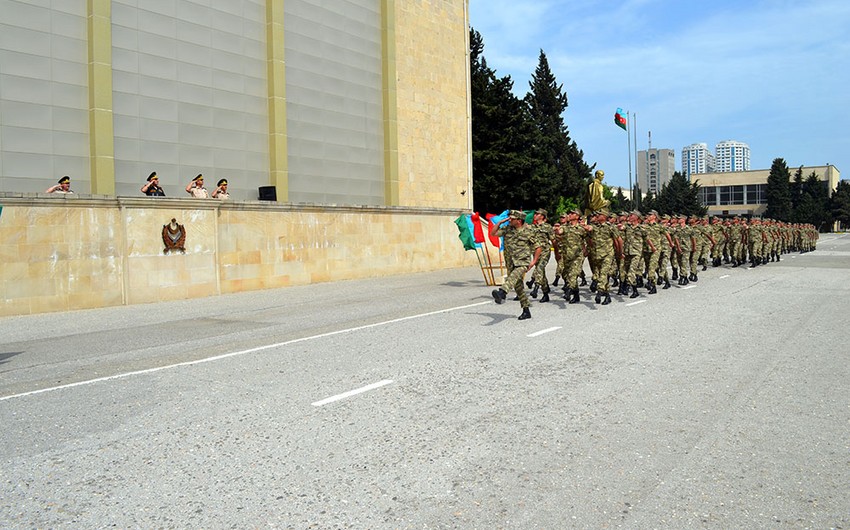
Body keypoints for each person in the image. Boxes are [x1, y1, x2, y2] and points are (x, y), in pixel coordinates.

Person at [490, 210, 542, 320]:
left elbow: (538, 247)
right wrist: (499, 223)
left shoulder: (529, 230)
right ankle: (526, 310)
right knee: (518, 287)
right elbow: (493, 233)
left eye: (512, 218)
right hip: (510, 261)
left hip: (522, 262)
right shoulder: (507, 229)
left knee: (512, 277)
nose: (510, 220)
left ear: (519, 220)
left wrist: (533, 262)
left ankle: (502, 292)